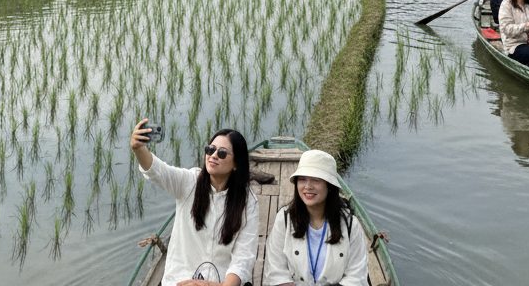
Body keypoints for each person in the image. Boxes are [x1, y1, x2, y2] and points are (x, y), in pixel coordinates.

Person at [130, 120, 258, 286]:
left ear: (236, 164)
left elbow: (243, 258)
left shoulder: (248, 201)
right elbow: (158, 171)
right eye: (210, 149)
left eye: (222, 153)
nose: (213, 155)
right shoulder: (189, 182)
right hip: (180, 280)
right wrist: (138, 149)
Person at [264, 149, 367, 286]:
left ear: (329, 186)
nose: (307, 187)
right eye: (302, 180)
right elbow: (275, 273)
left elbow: (356, 278)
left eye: (316, 180)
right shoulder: (284, 219)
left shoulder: (350, 225)